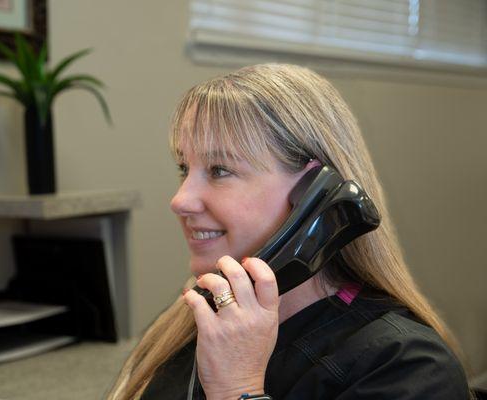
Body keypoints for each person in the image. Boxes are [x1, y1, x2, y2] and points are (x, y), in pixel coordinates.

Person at [107, 64, 471, 400]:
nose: (180, 200)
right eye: (184, 169)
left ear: (314, 193)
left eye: (219, 170)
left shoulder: (410, 368)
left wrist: (238, 389)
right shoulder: (196, 318)